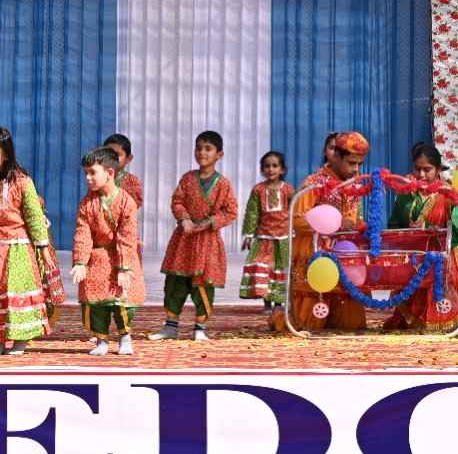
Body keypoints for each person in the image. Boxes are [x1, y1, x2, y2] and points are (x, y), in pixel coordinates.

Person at [0, 124, 61, 356]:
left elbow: (34, 216)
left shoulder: (22, 182)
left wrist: (43, 248)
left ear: (6, 154)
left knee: (17, 293)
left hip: (19, 250)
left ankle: (20, 342)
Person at [279, 131, 370, 333]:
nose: (356, 169)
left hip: (344, 257)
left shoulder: (354, 184)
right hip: (314, 257)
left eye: (359, 164)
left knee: (352, 326)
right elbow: (296, 219)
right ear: (336, 156)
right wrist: (333, 224)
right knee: (306, 324)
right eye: (351, 163)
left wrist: (363, 228)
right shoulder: (314, 183)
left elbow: (354, 219)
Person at [383, 142, 458, 332]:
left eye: (427, 169)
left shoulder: (449, 194)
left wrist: (433, 230)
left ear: (438, 169)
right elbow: (393, 225)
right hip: (414, 256)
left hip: (442, 256)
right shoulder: (406, 193)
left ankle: (444, 318)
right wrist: (407, 231)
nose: (422, 175)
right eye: (417, 169)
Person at [154, 131, 237, 342]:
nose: (202, 153)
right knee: (176, 281)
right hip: (184, 239)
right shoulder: (188, 179)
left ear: (219, 154)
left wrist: (210, 222)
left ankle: (200, 327)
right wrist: (184, 219)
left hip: (208, 241)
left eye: (208, 149)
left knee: (203, 283)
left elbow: (231, 211)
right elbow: (177, 201)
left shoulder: (224, 184)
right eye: (199, 148)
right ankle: (170, 326)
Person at [72, 145, 143, 356]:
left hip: (121, 260)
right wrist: (80, 262)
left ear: (109, 173)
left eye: (92, 173)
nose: (87, 178)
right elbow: (82, 233)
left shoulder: (126, 202)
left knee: (122, 301)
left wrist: (124, 268)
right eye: (85, 173)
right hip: (96, 260)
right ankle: (101, 340)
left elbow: (126, 237)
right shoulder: (87, 204)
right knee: (95, 304)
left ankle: (124, 337)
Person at [240, 150, 293, 315]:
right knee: (262, 267)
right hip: (264, 238)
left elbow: (295, 211)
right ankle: (267, 303)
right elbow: (252, 212)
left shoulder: (288, 190)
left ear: (282, 170)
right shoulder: (258, 190)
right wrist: (248, 235)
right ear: (262, 170)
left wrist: (295, 232)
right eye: (267, 166)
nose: (271, 169)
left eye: (275, 166)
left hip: (283, 239)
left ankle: (278, 303)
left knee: (280, 270)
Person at [103, 133, 143, 210]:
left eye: (117, 154)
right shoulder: (98, 178)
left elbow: (133, 206)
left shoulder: (132, 181)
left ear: (129, 158)